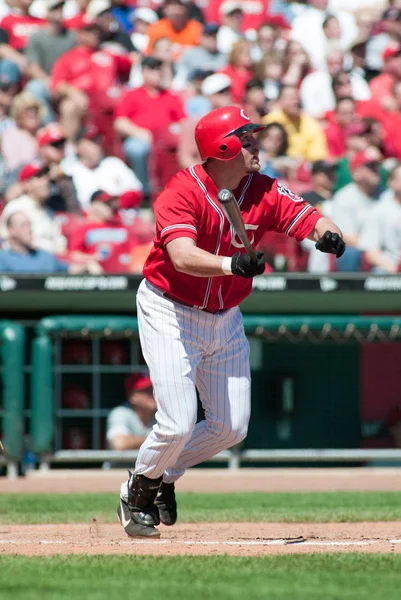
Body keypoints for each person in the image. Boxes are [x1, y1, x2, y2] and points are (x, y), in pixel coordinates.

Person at [117, 105, 345, 538]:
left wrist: (326, 235)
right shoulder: (181, 190)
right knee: (178, 422)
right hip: (170, 309)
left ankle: (164, 474)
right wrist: (231, 263)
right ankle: (140, 485)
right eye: (247, 138)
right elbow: (182, 257)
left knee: (230, 427)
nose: (257, 144)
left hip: (224, 317)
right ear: (223, 148)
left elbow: (310, 218)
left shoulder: (261, 188)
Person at [114, 55, 185, 199]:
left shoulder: (170, 96)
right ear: (144, 72)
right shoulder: (132, 95)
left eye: (159, 69)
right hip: (142, 138)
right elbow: (120, 122)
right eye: (153, 69)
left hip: (166, 140)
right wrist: (143, 134)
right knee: (136, 149)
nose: (157, 73)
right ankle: (145, 192)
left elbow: (183, 122)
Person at [25, 0, 76, 121]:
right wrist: (52, 83)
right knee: (35, 87)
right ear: (46, 12)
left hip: (68, 84)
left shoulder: (72, 37)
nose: (59, 11)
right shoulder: (37, 37)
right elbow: (33, 68)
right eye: (55, 8)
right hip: (47, 81)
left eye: (61, 7)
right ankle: (50, 127)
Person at [0, 160, 66, 253]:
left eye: (45, 176)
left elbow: (59, 245)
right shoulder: (16, 207)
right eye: (38, 177)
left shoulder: (49, 211)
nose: (45, 181)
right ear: (26, 184)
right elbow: (6, 243)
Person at [331, 150, 381, 271]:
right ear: (356, 173)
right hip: (361, 251)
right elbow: (347, 236)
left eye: (376, 166)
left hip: (387, 251)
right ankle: (348, 289)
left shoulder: (387, 195)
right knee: (349, 254)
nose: (376, 170)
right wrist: (374, 251)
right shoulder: (344, 198)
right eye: (370, 166)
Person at [0, 210, 97, 273]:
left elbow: (70, 269)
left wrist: (88, 265)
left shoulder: (44, 256)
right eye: (23, 225)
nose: (29, 230)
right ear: (11, 230)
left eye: (29, 225)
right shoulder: (3, 258)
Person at [261, 85, 328, 163]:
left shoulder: (310, 123)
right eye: (290, 98)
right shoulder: (270, 121)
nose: (295, 101)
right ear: (280, 100)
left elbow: (317, 155)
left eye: (297, 98)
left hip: (303, 167)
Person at [359, 163, 401, 273]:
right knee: (379, 273)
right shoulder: (380, 210)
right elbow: (371, 252)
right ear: (392, 183)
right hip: (391, 267)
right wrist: (393, 268)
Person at [106, 373, 156, 450]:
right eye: (147, 391)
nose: (153, 393)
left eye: (154, 389)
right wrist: (159, 440)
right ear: (132, 396)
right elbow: (120, 444)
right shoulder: (121, 413)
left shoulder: (161, 414)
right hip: (121, 462)